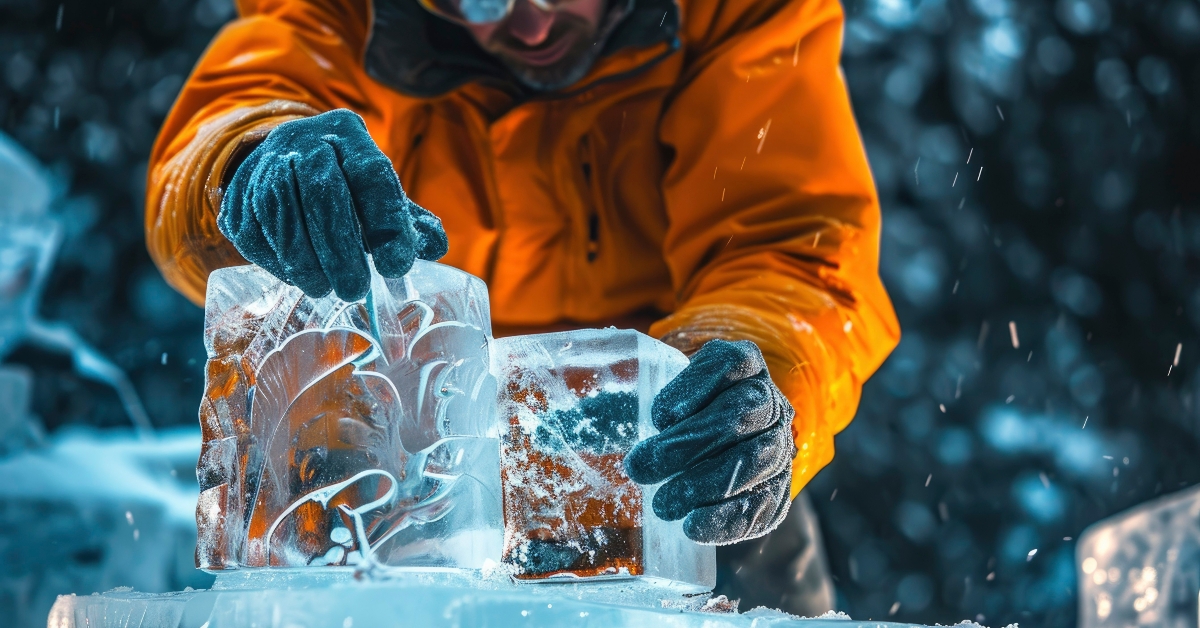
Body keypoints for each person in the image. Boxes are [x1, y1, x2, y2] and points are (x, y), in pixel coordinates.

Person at [145, 0, 898, 609]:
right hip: (406, 453)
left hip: (673, 451)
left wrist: (744, 391)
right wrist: (247, 159)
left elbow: (794, 241)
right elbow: (239, 103)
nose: (530, 25)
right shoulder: (345, 13)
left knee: (732, 523)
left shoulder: (737, 10)